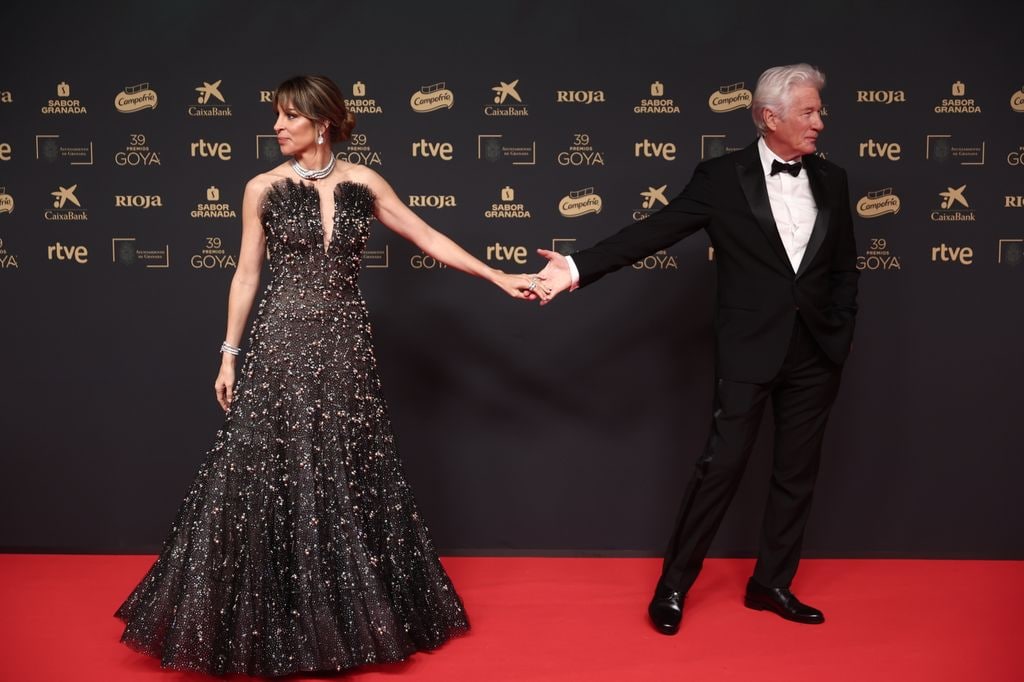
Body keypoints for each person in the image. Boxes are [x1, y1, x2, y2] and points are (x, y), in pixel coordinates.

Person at [116, 74, 543, 676]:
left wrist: (499, 277)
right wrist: (228, 353)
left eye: (288, 117)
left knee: (348, 462)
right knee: (266, 467)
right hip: (280, 341)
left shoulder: (364, 182)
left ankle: (345, 617)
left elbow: (425, 235)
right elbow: (245, 274)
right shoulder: (260, 187)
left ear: (322, 122)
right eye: (276, 117)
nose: (277, 127)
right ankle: (272, 619)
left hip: (345, 340)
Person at [530, 64, 858, 635]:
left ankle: (772, 583)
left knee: (796, 472)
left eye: (819, 111)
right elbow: (655, 230)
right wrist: (578, 267)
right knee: (721, 466)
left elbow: (845, 270)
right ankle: (674, 586)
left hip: (815, 353)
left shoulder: (833, 180)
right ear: (768, 117)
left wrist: (841, 330)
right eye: (808, 111)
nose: (819, 122)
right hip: (749, 349)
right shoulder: (721, 177)